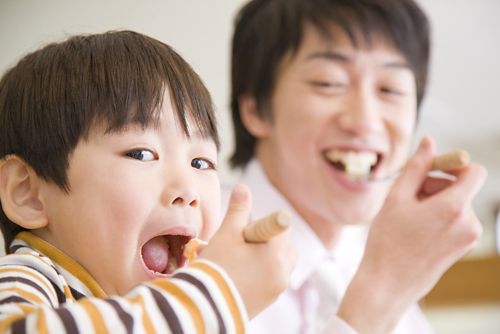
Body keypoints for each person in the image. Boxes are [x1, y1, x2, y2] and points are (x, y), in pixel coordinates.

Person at [0, 30, 296, 332]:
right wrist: (212, 298)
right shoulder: (25, 279)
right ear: (27, 193)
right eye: (141, 154)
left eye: (200, 163)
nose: (187, 190)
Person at [228, 0, 487, 333]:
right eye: (328, 82)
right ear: (257, 110)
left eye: (390, 89)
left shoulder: (377, 261)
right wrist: (381, 294)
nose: (365, 121)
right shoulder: (187, 246)